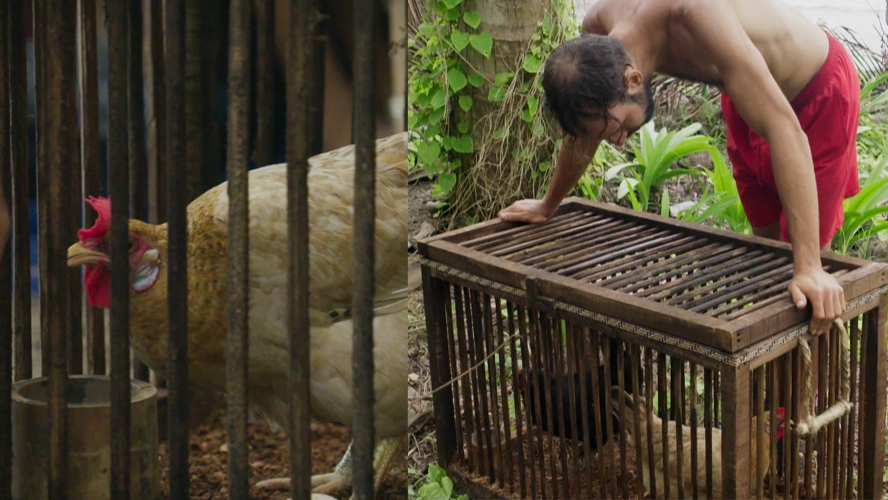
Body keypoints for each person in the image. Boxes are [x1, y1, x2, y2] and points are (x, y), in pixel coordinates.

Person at [499, 0, 860, 335]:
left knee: (809, 269)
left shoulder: (696, 14)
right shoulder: (599, 31)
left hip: (817, 94)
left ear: (634, 80)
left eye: (619, 128)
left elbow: (785, 128)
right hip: (748, 97)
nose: (618, 139)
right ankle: (775, 376)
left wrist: (810, 265)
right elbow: (586, 127)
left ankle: (803, 392)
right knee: (769, 253)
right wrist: (549, 205)